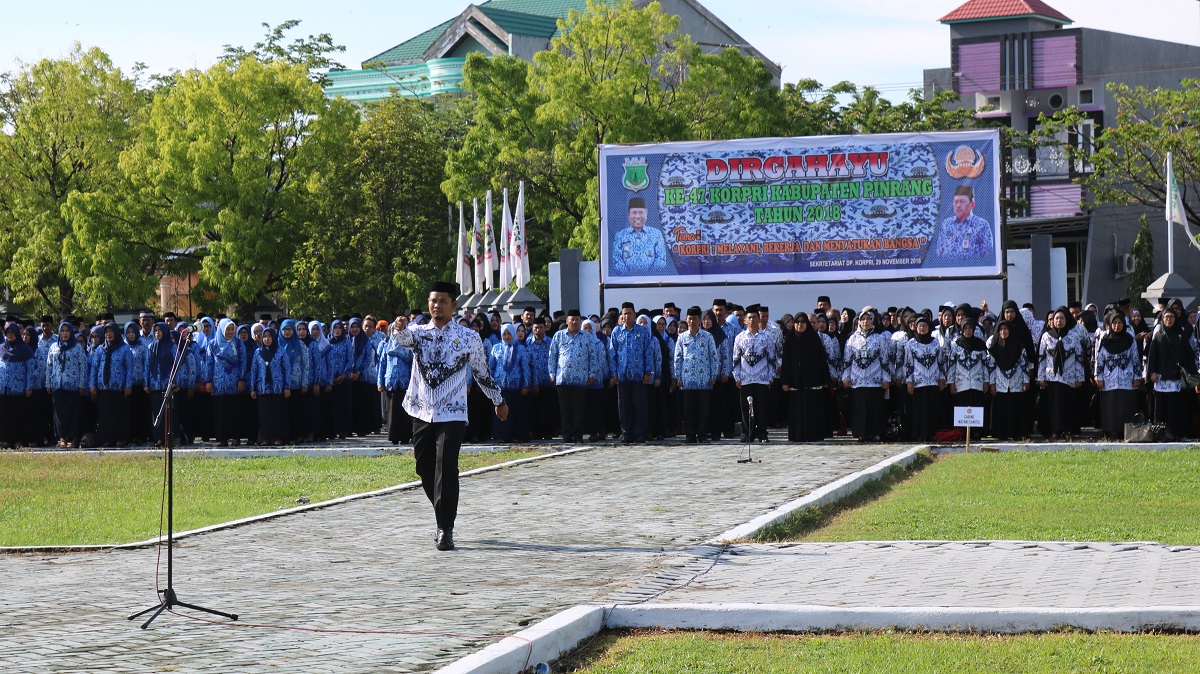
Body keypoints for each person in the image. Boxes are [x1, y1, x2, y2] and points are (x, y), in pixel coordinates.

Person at [391, 281, 507, 551]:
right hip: (421, 409)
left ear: (454, 305)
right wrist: (397, 328)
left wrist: (498, 400)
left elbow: (481, 372)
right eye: (433, 300)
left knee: (446, 466)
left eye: (443, 301)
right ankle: (442, 513)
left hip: (453, 411)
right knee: (424, 467)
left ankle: (446, 529)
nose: (436, 305)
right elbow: (403, 338)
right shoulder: (418, 332)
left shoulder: (468, 338)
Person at [608, 302, 656, 444]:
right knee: (624, 406)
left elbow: (648, 352)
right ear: (621, 315)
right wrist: (614, 373)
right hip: (622, 375)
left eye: (629, 313)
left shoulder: (642, 332)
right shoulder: (617, 332)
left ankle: (640, 433)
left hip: (639, 375)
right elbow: (612, 354)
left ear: (634, 315)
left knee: (641, 405)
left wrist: (648, 372)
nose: (627, 316)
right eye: (624, 313)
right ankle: (627, 433)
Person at [1146, 307, 1197, 440]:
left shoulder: (1181, 335)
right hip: (1161, 377)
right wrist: (1152, 373)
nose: (1169, 320)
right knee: (1161, 407)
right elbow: (1153, 356)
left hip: (1176, 377)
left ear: (1176, 319)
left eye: (1171, 317)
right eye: (1166, 317)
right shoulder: (1158, 336)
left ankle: (1177, 433)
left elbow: (1188, 355)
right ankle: (1161, 434)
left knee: (1176, 407)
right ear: (1162, 319)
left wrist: (1190, 372)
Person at [842, 310, 892, 442]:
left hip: (875, 379)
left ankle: (876, 433)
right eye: (862, 319)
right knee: (860, 407)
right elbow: (847, 360)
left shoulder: (879, 338)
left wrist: (886, 378)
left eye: (868, 319)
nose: (865, 321)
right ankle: (861, 433)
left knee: (875, 407)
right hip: (857, 379)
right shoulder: (852, 339)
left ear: (872, 321)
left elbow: (885, 360)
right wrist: (845, 377)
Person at [779, 313, 830, 442]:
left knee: (812, 410)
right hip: (796, 382)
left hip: (812, 381)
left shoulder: (814, 339)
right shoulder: (790, 341)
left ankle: (814, 435)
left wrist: (825, 380)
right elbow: (786, 363)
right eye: (797, 322)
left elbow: (822, 361)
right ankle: (798, 435)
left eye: (802, 322)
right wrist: (785, 381)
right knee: (797, 410)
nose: (800, 325)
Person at [1037, 307, 1086, 441]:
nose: (1059, 321)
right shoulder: (1046, 336)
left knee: (1067, 405)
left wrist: (1079, 377)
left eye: (1062, 318)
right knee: (1052, 406)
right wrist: (1040, 377)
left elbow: (1079, 358)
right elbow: (1041, 358)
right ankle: (1054, 431)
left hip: (1068, 377)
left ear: (1067, 320)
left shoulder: (1073, 336)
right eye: (1056, 318)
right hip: (1051, 377)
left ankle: (1066, 430)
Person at [732, 305, 779, 443]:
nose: (752, 320)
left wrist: (771, 376)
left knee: (762, 407)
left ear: (759, 319)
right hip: (746, 378)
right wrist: (737, 376)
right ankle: (748, 433)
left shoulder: (767, 337)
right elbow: (736, 358)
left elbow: (772, 358)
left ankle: (762, 433)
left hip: (762, 378)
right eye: (750, 317)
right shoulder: (740, 337)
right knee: (746, 407)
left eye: (755, 317)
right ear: (745, 320)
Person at [672, 306, 718, 443]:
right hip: (687, 380)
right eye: (690, 319)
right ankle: (690, 435)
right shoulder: (682, 337)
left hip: (704, 380)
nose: (692, 321)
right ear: (686, 320)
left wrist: (713, 376)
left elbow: (713, 357)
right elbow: (677, 358)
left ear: (700, 320)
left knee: (703, 410)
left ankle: (702, 435)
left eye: (695, 319)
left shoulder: (708, 337)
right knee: (688, 410)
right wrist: (678, 377)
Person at [1094, 312, 1143, 440]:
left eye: (1120, 323)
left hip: (1127, 379)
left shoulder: (1130, 339)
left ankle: (1125, 432)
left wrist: (1138, 376)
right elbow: (1099, 359)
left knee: (1126, 406)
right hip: (1109, 379)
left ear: (1124, 324)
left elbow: (1135, 358)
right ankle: (1111, 432)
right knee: (1110, 407)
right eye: (1114, 323)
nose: (1117, 326)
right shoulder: (1104, 340)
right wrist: (1098, 377)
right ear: (1110, 325)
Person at [548, 309, 595, 443]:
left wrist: (592, 374)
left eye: (577, 319)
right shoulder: (559, 335)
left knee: (578, 409)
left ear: (580, 321)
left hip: (581, 379)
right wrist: (552, 374)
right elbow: (552, 356)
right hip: (563, 378)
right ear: (567, 321)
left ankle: (578, 435)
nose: (574, 322)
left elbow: (593, 356)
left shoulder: (586, 337)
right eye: (572, 319)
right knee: (565, 410)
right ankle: (567, 435)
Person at [89, 323, 133, 448]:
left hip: (119, 388)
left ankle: (120, 439)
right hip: (103, 388)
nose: (109, 334)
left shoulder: (124, 349)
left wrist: (128, 385)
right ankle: (107, 439)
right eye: (106, 332)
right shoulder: (100, 349)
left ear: (116, 333)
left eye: (111, 332)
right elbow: (95, 368)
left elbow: (129, 368)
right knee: (105, 415)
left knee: (119, 414)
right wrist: (92, 385)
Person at [903, 316, 946, 442]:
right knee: (918, 410)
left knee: (932, 409)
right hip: (918, 383)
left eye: (925, 326)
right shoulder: (911, 343)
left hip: (933, 382)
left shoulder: (935, 343)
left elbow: (941, 362)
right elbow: (908, 364)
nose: (922, 328)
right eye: (920, 326)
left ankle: (931, 434)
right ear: (916, 328)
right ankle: (919, 435)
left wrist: (942, 378)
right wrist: (909, 381)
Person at [45, 322, 88, 448]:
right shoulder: (54, 347)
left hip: (73, 386)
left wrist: (81, 385)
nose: (64, 333)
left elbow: (83, 367)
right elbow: (49, 366)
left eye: (67, 330)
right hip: (58, 385)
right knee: (59, 414)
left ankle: (74, 439)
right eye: (62, 331)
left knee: (73, 414)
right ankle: (62, 438)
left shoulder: (77, 348)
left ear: (71, 332)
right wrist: (48, 383)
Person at [946, 318, 991, 435]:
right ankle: (961, 433)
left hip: (977, 383)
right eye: (965, 328)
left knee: (977, 407)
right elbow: (951, 365)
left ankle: (977, 433)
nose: (968, 331)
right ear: (961, 329)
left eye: (970, 328)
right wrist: (951, 382)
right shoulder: (956, 344)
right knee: (962, 409)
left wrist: (986, 381)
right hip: (961, 384)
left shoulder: (980, 344)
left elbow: (985, 364)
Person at [988, 320, 1031, 440]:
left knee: (1016, 408)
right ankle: (1002, 433)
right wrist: (992, 383)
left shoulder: (1019, 347)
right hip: (1000, 383)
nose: (1003, 331)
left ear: (1010, 330)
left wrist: (1026, 381)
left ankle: (1018, 433)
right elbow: (991, 367)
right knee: (1002, 409)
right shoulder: (994, 348)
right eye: (1000, 329)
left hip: (1016, 382)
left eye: (1005, 329)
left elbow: (1024, 365)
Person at [488, 323, 531, 442]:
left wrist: (526, 384)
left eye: (509, 334)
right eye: (504, 334)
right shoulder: (496, 348)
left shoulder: (520, 348)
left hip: (516, 387)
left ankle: (516, 436)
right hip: (500, 386)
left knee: (516, 412)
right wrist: (490, 385)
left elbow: (525, 368)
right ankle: (503, 436)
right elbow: (491, 367)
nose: (507, 336)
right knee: (502, 411)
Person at [930, 185, 994, 263]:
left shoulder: (982, 225)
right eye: (956, 202)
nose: (958, 205)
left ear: (972, 204)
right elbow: (939, 253)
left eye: (962, 201)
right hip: (948, 272)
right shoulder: (946, 224)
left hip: (972, 272)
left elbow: (988, 256)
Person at [611, 197, 673, 275]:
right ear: (628, 214)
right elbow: (616, 260)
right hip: (626, 284)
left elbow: (661, 260)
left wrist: (648, 277)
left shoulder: (656, 234)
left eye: (641, 212)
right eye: (634, 212)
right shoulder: (620, 235)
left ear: (646, 213)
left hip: (652, 283)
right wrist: (630, 278)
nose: (637, 216)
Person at [209, 318, 247, 447]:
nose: (230, 332)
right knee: (220, 412)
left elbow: (243, 362)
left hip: (234, 383)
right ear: (221, 329)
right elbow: (209, 364)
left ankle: (236, 438)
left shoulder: (238, 343)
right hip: (218, 384)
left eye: (232, 329)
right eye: (228, 329)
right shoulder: (213, 344)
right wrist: (208, 381)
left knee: (235, 411)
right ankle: (222, 439)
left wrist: (241, 379)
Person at [250, 327, 291, 445]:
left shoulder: (281, 351)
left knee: (277, 414)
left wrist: (287, 387)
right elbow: (254, 370)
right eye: (264, 336)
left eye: (269, 336)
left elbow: (287, 369)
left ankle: (277, 437)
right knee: (265, 415)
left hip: (277, 388)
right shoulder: (258, 352)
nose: (267, 339)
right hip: (263, 388)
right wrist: (252, 388)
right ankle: (266, 438)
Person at [378, 316, 414, 445]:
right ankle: (393, 436)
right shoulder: (386, 346)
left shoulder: (408, 348)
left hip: (405, 383)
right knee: (392, 412)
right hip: (390, 382)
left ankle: (405, 436)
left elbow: (412, 364)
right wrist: (380, 382)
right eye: (394, 330)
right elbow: (382, 364)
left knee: (404, 412)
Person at [0, 322, 36, 449]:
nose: (10, 335)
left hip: (19, 388)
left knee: (18, 416)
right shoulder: (1, 348)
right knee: (4, 416)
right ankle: (5, 440)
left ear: (17, 333)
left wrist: (29, 387)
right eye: (7, 332)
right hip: (3, 387)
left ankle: (18, 440)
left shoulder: (25, 349)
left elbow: (31, 370)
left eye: (12, 332)